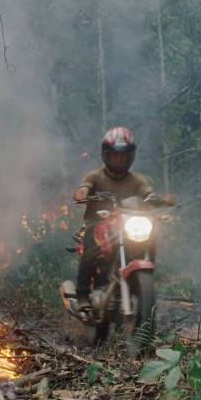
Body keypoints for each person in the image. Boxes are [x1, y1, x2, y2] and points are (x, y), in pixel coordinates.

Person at [72, 126, 172, 310]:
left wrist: (157, 199)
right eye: (116, 155)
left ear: (130, 156)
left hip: (126, 224)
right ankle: (82, 295)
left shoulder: (137, 179)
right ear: (106, 155)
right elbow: (85, 186)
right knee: (91, 247)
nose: (120, 159)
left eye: (124, 155)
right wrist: (82, 192)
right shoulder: (96, 176)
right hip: (99, 223)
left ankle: (139, 284)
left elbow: (147, 193)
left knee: (150, 236)